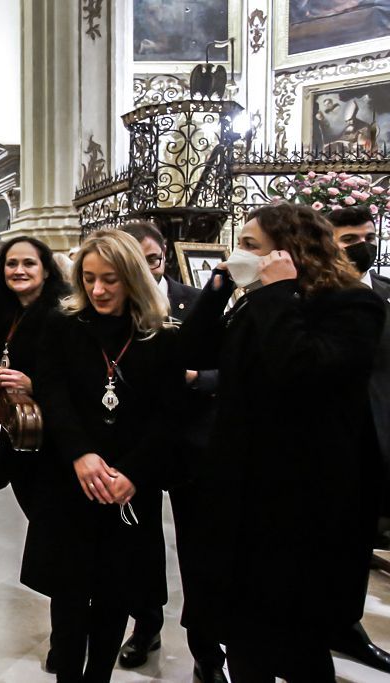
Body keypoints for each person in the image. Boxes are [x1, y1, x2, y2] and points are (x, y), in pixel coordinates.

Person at [180, 203, 385, 681]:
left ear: (290, 251)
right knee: (244, 633)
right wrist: (218, 289)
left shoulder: (354, 305)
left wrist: (278, 292)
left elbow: (301, 371)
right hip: (243, 492)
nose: (239, 253)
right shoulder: (256, 302)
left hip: (303, 504)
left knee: (295, 640)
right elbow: (189, 352)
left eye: (250, 245)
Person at [22, 229, 183, 683]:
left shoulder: (161, 337)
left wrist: (133, 472)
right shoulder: (63, 325)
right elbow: (53, 394)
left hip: (128, 487)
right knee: (70, 594)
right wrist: (80, 455)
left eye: (109, 279)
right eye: (88, 278)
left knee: (115, 593)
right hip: (72, 478)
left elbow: (169, 416)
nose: (97, 290)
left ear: (132, 277)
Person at [116, 221, 227, 683]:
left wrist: (194, 380)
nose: (147, 268)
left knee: (199, 549)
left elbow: (228, 369)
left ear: (164, 256)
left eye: (153, 259)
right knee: (139, 544)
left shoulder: (196, 301)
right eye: (135, 262)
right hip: (137, 445)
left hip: (190, 444)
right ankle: (146, 626)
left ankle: (207, 649)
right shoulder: (114, 307)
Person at [325, 206, 390, 674]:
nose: (361, 246)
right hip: (333, 442)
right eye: (348, 240)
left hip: (382, 436)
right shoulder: (311, 300)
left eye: (366, 237)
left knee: (363, 541)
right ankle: (326, 624)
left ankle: (346, 622)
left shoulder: (387, 294)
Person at [0, 236, 69, 518]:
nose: (19, 270)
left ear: (46, 269)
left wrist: (34, 384)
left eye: (29, 263)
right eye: (11, 264)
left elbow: (79, 374)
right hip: (21, 431)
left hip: (58, 438)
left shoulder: (66, 311)